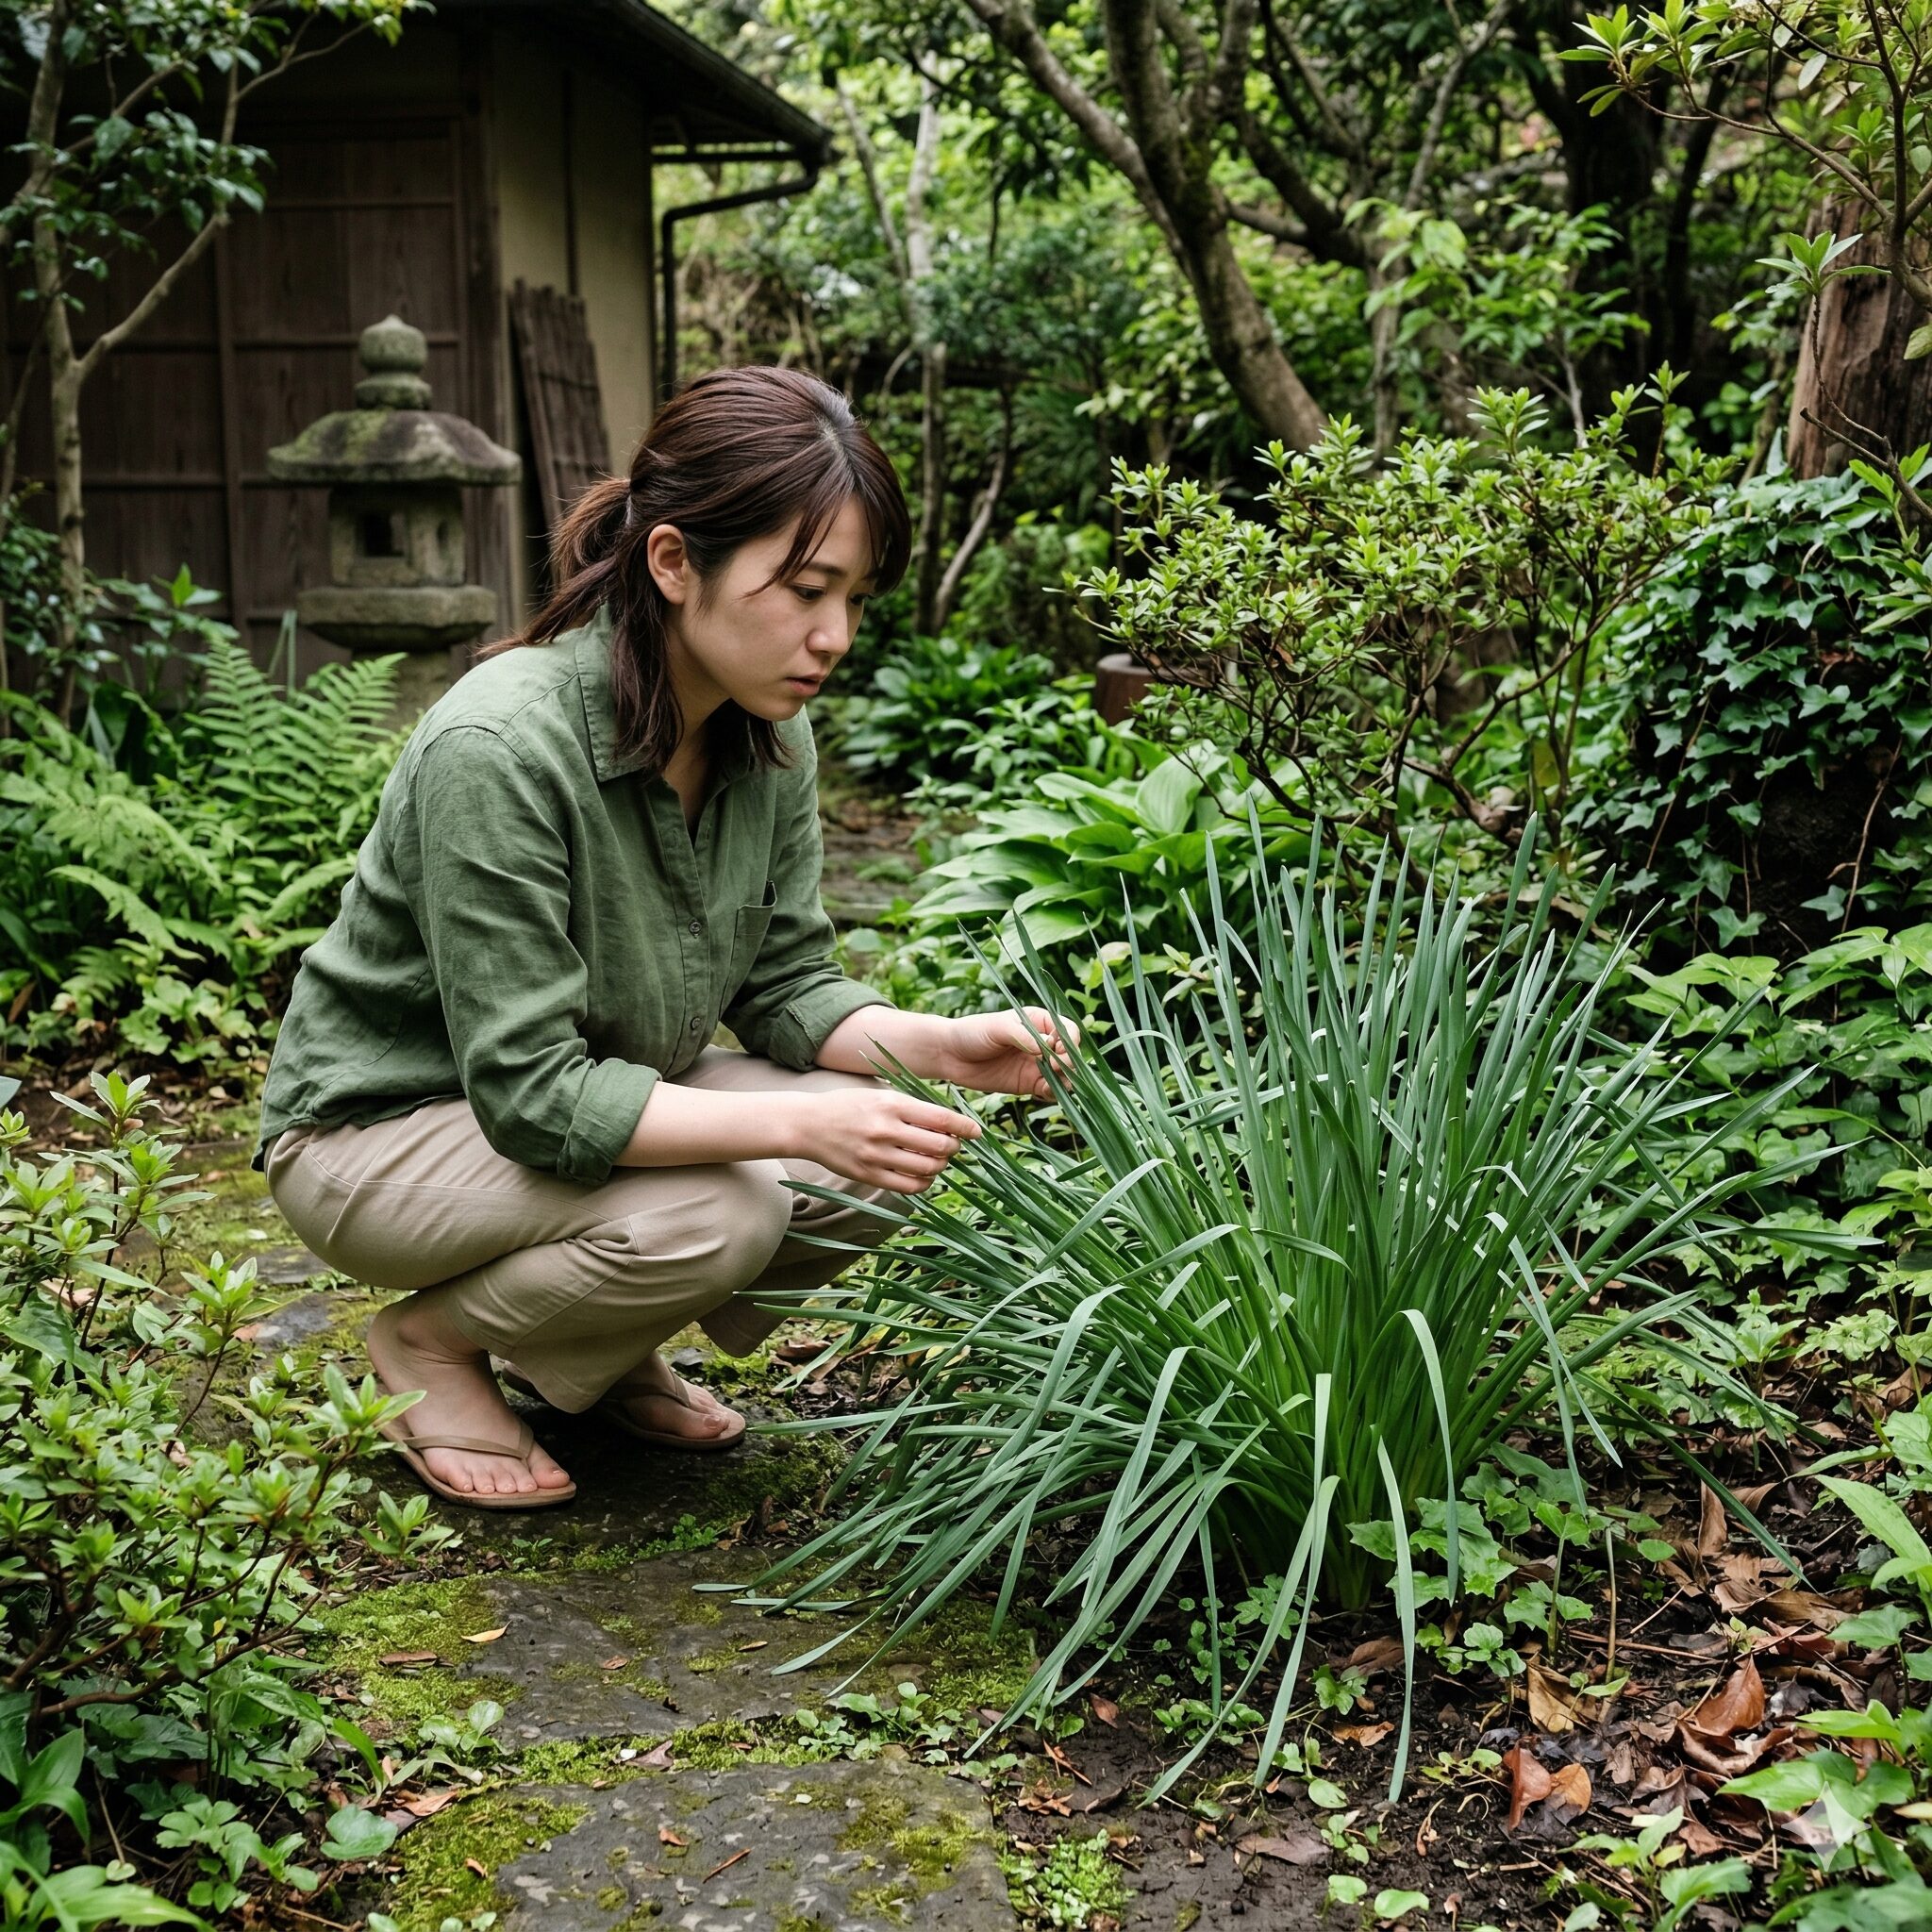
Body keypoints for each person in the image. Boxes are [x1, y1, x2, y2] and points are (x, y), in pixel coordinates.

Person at [254, 365, 1075, 1511]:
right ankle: (429, 1346)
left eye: (852, 597)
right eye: (802, 589)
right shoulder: (498, 745)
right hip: (381, 1135)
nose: (832, 635)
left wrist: (938, 1047)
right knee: (730, 1200)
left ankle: (583, 1348)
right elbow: (536, 1095)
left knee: (892, 1154)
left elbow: (787, 981)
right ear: (674, 561)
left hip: (585, 1103)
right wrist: (796, 1116)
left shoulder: (768, 738)